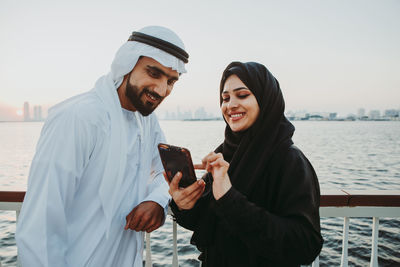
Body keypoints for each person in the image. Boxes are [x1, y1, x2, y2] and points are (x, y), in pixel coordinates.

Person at [16, 26, 189, 267]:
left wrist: (157, 201)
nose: (162, 90)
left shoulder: (148, 121)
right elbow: (41, 225)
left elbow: (162, 173)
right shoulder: (79, 118)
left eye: (171, 81)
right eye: (154, 73)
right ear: (127, 65)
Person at [167, 61, 323, 266]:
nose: (230, 105)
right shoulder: (225, 154)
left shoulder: (289, 160)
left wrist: (229, 197)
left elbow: (304, 245)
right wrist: (182, 204)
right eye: (225, 98)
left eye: (242, 95)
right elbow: (204, 220)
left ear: (266, 99)